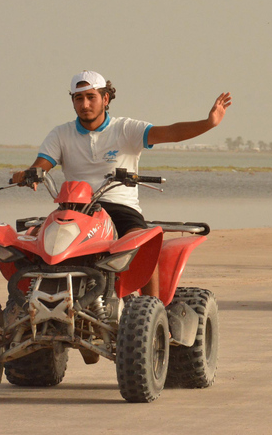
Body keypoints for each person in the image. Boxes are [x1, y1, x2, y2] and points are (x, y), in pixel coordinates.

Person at [12, 70, 233, 297]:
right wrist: (28, 175)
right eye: (79, 98)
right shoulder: (60, 134)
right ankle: (24, 306)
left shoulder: (126, 129)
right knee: (34, 242)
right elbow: (41, 166)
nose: (85, 104)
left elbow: (171, 132)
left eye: (91, 97)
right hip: (74, 209)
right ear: (73, 102)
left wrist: (209, 123)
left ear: (105, 99)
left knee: (144, 246)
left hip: (120, 208)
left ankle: (153, 314)